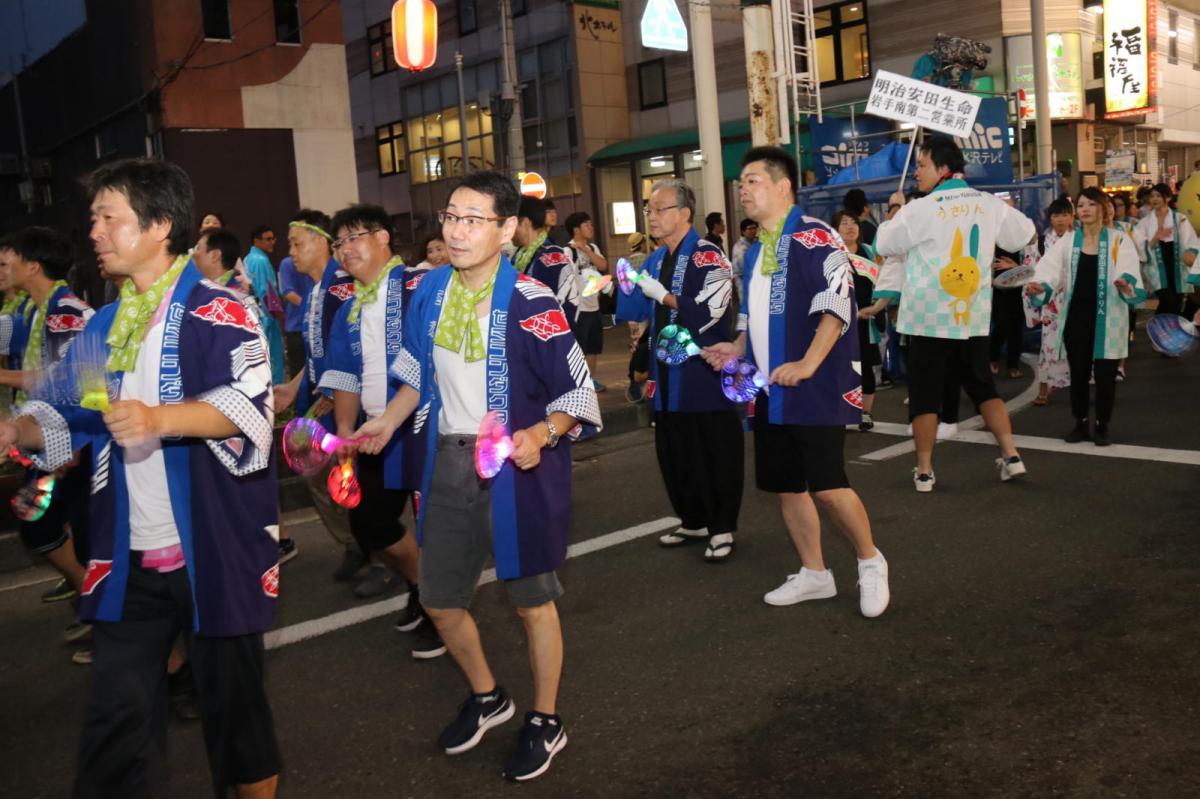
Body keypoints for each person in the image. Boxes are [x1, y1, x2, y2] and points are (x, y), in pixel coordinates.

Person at [0, 157, 282, 798]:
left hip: (213, 549)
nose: (94, 232)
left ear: (159, 226)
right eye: (93, 217)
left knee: (237, 722)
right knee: (115, 722)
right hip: (128, 556)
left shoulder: (220, 311)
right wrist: (17, 431)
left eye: (109, 217)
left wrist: (158, 418)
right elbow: (67, 410)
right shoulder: (106, 324)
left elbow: (248, 407)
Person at [354, 170, 601, 781]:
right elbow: (416, 373)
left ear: (507, 228)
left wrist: (540, 435)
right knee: (439, 599)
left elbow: (577, 392)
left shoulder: (533, 302)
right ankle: (489, 696)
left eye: (473, 220)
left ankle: (546, 718)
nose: (457, 232)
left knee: (532, 604)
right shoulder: (430, 291)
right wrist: (386, 422)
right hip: (447, 461)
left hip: (516, 469)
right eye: (451, 217)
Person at [703, 146, 888, 617]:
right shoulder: (756, 250)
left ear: (783, 186)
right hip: (770, 388)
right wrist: (738, 347)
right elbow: (753, 315)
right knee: (787, 485)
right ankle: (814, 573)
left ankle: (870, 561)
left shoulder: (814, 236)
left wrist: (807, 363)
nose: (743, 190)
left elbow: (837, 303)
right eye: (741, 183)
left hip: (813, 384)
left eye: (753, 181)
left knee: (828, 486)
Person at [875, 136, 1035, 493]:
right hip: (970, 318)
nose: (916, 172)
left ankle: (924, 471)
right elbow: (1024, 234)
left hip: (927, 319)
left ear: (943, 169)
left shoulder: (920, 208)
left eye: (922, 165)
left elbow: (884, 244)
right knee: (984, 389)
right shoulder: (988, 203)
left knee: (924, 397)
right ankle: (1011, 455)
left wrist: (896, 210)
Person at [318, 204, 443, 658]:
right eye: (339, 243)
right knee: (367, 521)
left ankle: (440, 610)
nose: (345, 250)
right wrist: (343, 432)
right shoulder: (349, 308)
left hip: (422, 427)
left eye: (354, 238)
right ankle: (422, 586)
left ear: (384, 237)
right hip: (374, 433)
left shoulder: (420, 285)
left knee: (433, 527)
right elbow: (344, 376)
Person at [635, 178, 742, 562]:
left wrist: (664, 296)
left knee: (713, 452)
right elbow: (641, 308)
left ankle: (722, 527)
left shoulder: (708, 254)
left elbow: (713, 310)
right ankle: (693, 519)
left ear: (684, 213)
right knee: (674, 453)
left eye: (659, 209)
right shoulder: (654, 258)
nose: (652, 216)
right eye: (649, 210)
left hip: (703, 371)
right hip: (665, 376)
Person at [0, 227, 95, 651]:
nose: (3, 269)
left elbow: (65, 383)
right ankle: (91, 600)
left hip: (73, 441)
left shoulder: (66, 313)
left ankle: (97, 606)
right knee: (44, 523)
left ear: (33, 266)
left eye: (9, 261)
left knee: (47, 526)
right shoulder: (29, 310)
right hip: (46, 438)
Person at [271, 210, 362, 582]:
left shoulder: (340, 286)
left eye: (297, 243)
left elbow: (351, 350)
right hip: (321, 399)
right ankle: (357, 544)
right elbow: (315, 352)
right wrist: (293, 386)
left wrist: (332, 397)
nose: (291, 251)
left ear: (322, 242)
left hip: (342, 401)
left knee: (338, 475)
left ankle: (369, 548)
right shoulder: (313, 290)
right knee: (317, 474)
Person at [1026, 188, 1143, 446]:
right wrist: (1040, 285)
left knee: (1105, 375)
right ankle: (1080, 423)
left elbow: (1129, 269)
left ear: (1103, 208)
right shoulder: (1068, 241)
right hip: (1076, 317)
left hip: (1110, 318)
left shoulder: (1118, 240)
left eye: (1091, 204)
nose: (1086, 209)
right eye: (1081, 205)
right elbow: (1050, 270)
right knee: (1078, 374)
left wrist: (1126, 282)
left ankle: (1102, 425)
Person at [831, 210, 882, 431]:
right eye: (844, 223)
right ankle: (843, 410)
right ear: (835, 229)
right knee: (841, 365)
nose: (850, 227)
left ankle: (865, 413)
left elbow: (882, 279)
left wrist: (877, 307)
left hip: (866, 318)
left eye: (854, 223)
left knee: (866, 366)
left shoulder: (869, 251)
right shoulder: (831, 253)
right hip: (838, 320)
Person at [1133, 183, 1197, 318]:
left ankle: (1164, 327)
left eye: (1158, 196)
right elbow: (1139, 247)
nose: (1154, 199)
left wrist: (1190, 253)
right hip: (1156, 268)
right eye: (1152, 196)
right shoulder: (1144, 223)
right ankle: (1160, 325)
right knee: (1168, 300)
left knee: (1177, 302)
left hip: (1177, 266)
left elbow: (1191, 242)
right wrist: (1156, 237)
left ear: (1167, 198)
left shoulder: (1180, 219)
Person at [564, 211, 610, 391]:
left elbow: (603, 265)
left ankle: (590, 380)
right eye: (587, 225)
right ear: (576, 229)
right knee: (579, 349)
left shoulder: (592, 247)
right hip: (578, 309)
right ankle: (578, 383)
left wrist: (587, 250)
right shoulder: (567, 251)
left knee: (593, 348)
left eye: (591, 224)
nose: (591, 227)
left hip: (594, 306)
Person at [244, 225, 286, 383]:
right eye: (268, 239)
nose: (272, 242)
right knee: (273, 362)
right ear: (256, 241)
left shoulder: (248, 258)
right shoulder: (261, 260)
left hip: (253, 317)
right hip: (267, 319)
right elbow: (267, 293)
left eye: (273, 238)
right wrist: (279, 316)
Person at [617, 231, 653, 403]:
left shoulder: (626, 264)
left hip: (631, 312)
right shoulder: (649, 260)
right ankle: (643, 382)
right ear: (643, 243)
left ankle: (634, 379)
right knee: (647, 346)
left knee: (636, 345)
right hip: (646, 310)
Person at [278, 253, 313, 379]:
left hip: (314, 327)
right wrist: (310, 308)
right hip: (297, 328)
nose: (293, 250)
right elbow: (288, 293)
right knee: (299, 373)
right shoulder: (288, 263)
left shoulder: (320, 262)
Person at [730, 218, 759, 299]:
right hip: (743, 282)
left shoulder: (756, 243)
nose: (753, 231)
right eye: (750, 229)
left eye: (754, 228)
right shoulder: (740, 247)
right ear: (743, 231)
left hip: (755, 281)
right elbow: (743, 267)